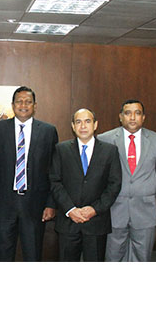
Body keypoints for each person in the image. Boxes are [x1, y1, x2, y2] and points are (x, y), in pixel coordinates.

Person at [0, 86, 58, 261]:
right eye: (19, 101)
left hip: (35, 204)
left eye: (28, 102)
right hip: (4, 204)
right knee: (3, 255)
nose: (23, 105)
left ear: (35, 105)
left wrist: (51, 203)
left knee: (33, 255)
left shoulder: (48, 131)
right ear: (12, 105)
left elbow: (54, 170)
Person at [98, 99, 156, 262]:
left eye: (137, 113)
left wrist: (145, 190)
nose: (132, 117)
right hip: (115, 209)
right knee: (113, 256)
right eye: (128, 113)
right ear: (120, 117)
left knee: (142, 257)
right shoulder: (105, 139)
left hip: (145, 209)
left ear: (143, 117)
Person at [50, 108, 121, 261]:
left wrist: (95, 209)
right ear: (73, 126)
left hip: (96, 223)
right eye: (78, 122)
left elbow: (114, 185)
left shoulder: (110, 151)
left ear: (95, 125)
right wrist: (70, 209)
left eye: (87, 121)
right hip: (68, 222)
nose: (83, 126)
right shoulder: (61, 150)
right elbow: (55, 182)